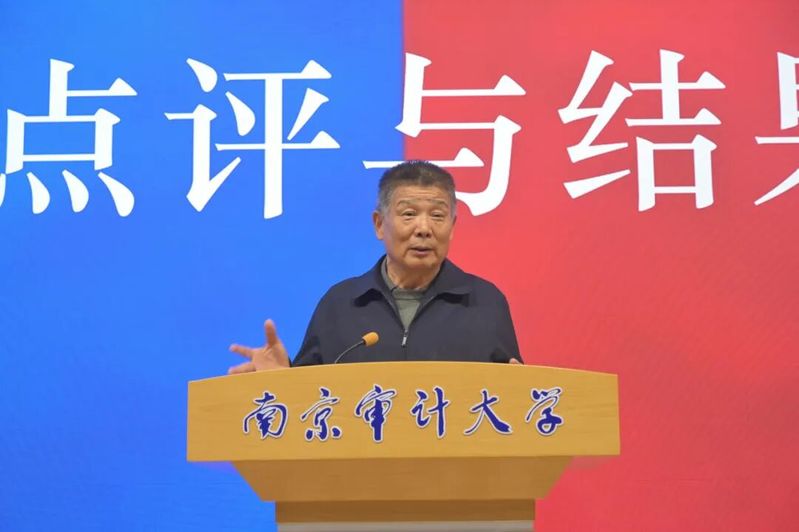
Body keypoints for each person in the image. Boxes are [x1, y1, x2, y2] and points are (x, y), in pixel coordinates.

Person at [228, 161, 521, 373]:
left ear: (453, 227)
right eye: (409, 214)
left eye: (437, 215)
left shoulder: (485, 302)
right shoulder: (341, 304)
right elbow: (308, 406)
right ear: (379, 224)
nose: (424, 228)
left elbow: (510, 405)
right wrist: (282, 380)